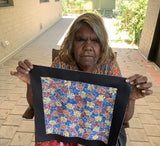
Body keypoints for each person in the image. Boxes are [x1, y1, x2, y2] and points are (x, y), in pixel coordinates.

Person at [10, 13, 152, 146]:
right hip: (65, 127)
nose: (88, 47)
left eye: (95, 41)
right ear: (72, 43)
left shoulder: (108, 66)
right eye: (81, 40)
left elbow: (124, 120)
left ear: (102, 45)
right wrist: (31, 83)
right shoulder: (62, 63)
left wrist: (130, 98)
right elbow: (39, 106)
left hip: (101, 131)